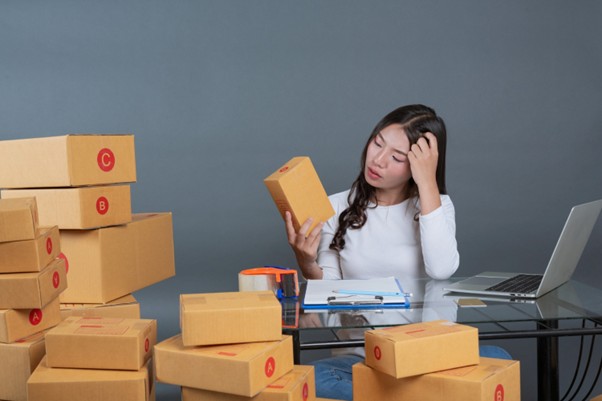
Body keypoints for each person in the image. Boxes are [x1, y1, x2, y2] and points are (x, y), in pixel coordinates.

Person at [284, 104, 510, 401]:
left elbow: (442, 268)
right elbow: (329, 293)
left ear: (419, 166)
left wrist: (428, 182)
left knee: (499, 356)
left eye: (397, 157)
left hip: (431, 355)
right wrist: (306, 261)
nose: (377, 160)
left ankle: (402, 395)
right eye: (377, 143)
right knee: (317, 379)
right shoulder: (335, 206)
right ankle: (420, 396)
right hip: (365, 358)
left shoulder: (435, 206)